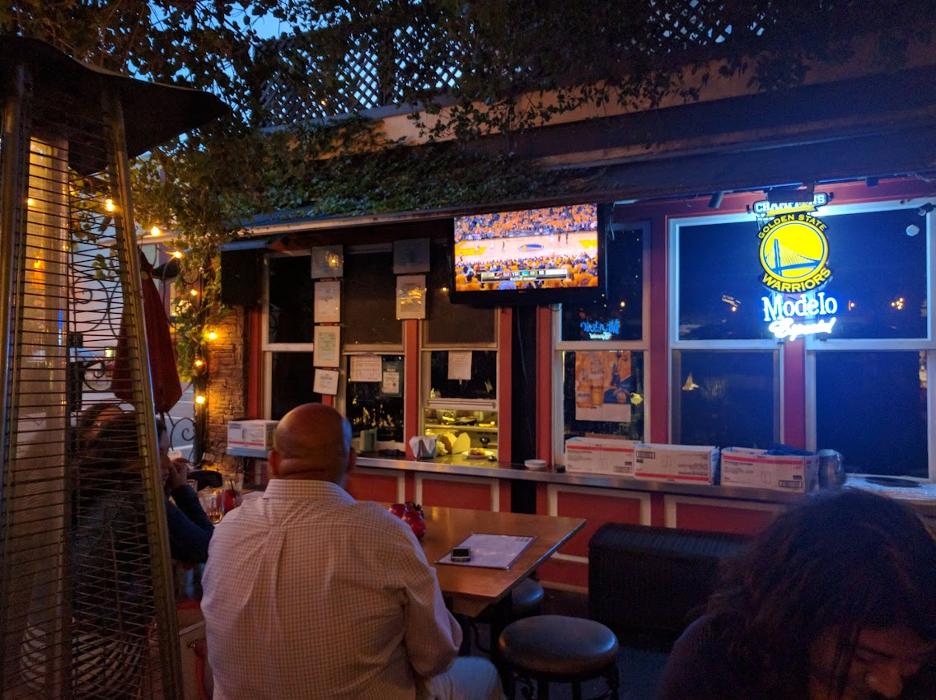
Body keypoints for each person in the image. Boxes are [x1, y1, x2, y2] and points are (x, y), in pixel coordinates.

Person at [201, 403, 502, 700]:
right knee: (484, 672)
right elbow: (435, 657)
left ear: (274, 462)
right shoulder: (383, 533)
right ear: (351, 461)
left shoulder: (227, 530)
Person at [658, 489, 936, 699]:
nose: (891, 688)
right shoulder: (716, 657)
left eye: (913, 661)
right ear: (796, 619)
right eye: (864, 657)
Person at [156, 418, 213, 563]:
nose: (168, 463)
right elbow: (210, 548)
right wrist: (181, 490)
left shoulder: (119, 496)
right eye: (158, 453)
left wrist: (167, 488)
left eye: (166, 453)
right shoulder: (149, 504)